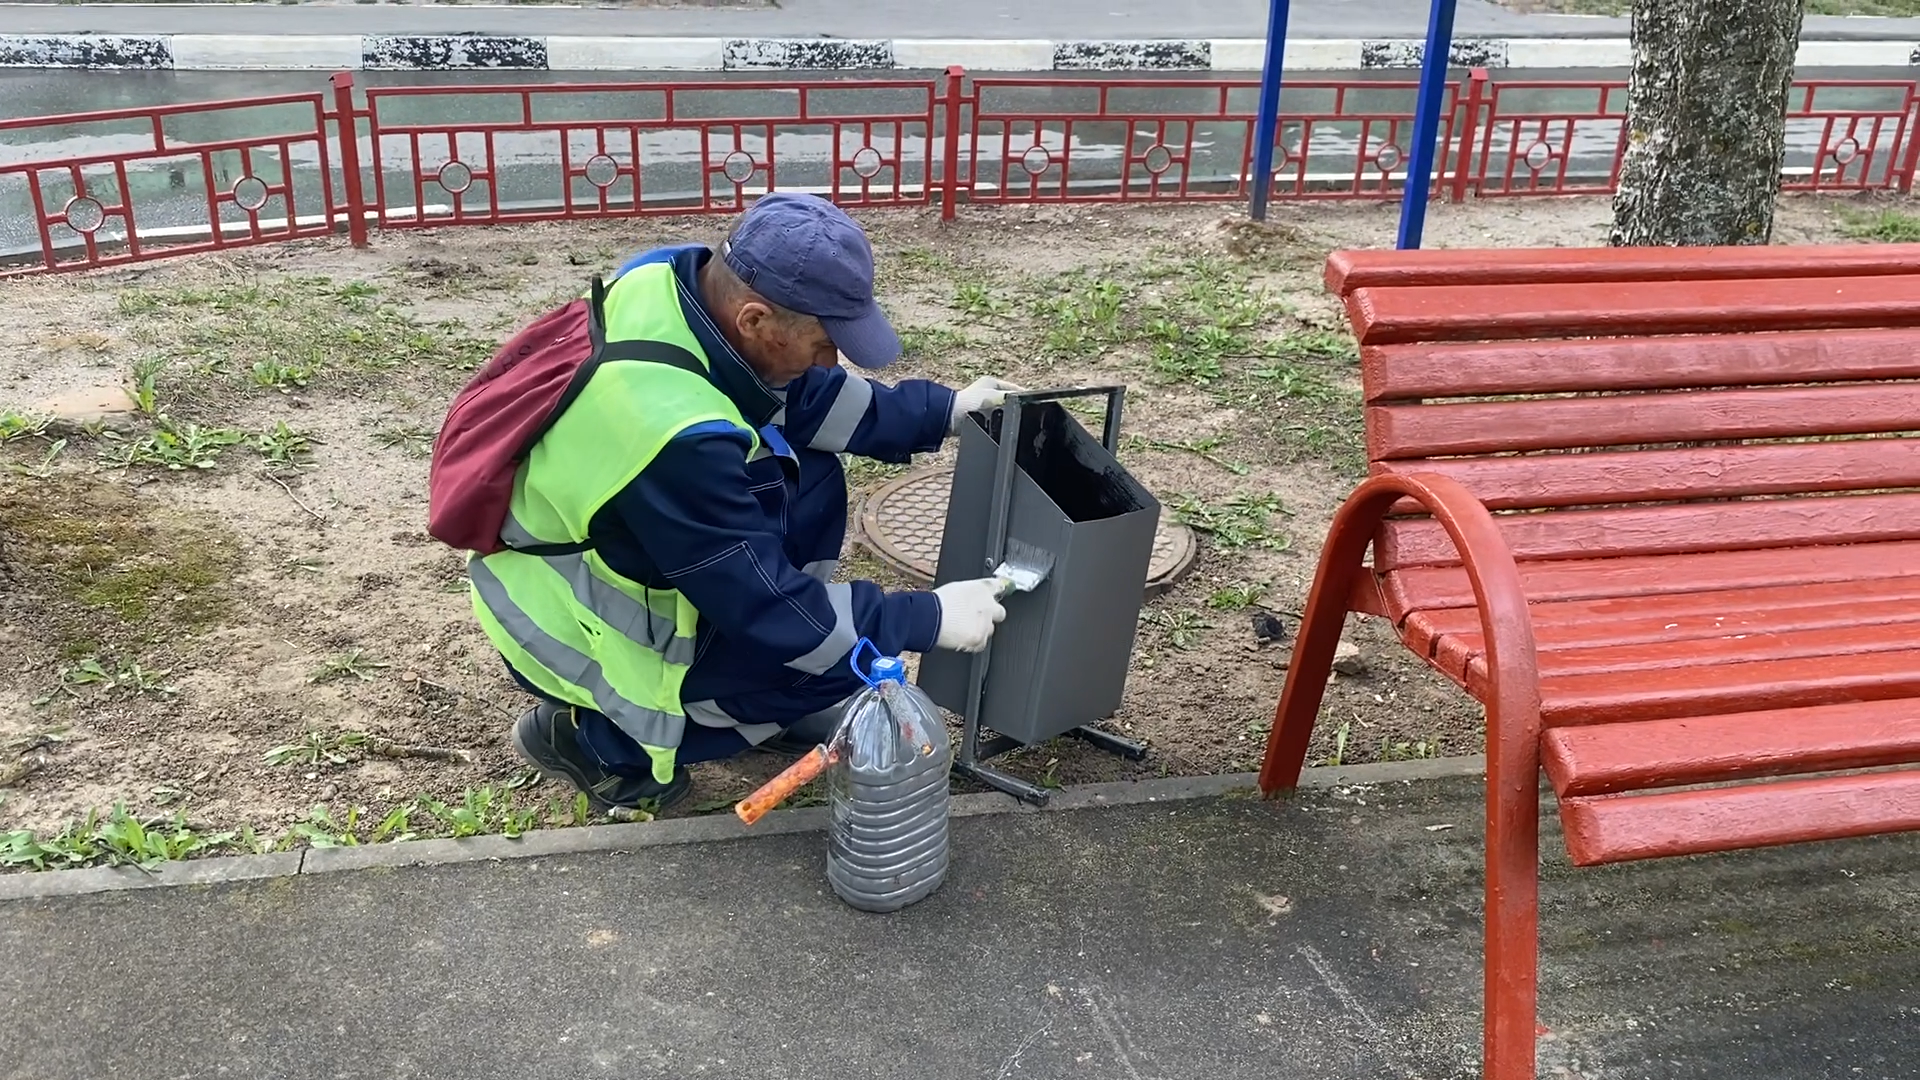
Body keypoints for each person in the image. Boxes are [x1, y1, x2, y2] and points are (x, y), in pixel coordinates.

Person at [472, 192, 1023, 812]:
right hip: (569, 623)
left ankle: (777, 693)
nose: (830, 359)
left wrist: (942, 411)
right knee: (836, 656)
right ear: (755, 319)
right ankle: (595, 741)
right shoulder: (667, 433)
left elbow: (807, 399)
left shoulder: (680, 286)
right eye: (821, 341)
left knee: (803, 468)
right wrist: (927, 618)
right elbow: (767, 606)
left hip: (623, 557)